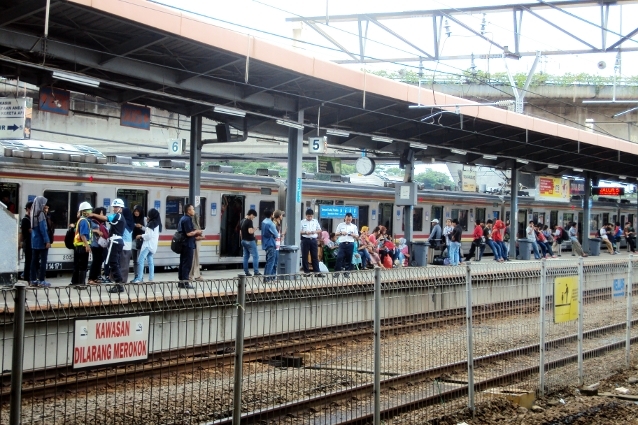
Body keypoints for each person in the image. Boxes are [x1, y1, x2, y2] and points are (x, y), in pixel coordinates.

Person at [90, 198, 126, 292]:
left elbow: (106, 218)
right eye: (114, 207)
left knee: (113, 262)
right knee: (115, 262)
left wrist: (93, 214)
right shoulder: (120, 216)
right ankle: (118, 283)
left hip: (115, 241)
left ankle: (119, 284)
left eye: (116, 207)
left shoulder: (118, 216)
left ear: (120, 208)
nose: (114, 208)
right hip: (116, 241)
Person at [131, 208, 162, 283]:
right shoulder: (157, 223)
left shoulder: (151, 224)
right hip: (153, 245)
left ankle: (139, 278)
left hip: (148, 245)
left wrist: (141, 236)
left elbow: (149, 235)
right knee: (150, 261)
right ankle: (151, 278)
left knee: (140, 260)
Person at [70, 201, 93, 289]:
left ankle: (75, 283)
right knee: (83, 266)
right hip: (82, 246)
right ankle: (81, 284)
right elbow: (83, 235)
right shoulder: (84, 221)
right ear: (84, 211)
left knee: (77, 265)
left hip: (78, 246)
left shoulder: (80, 220)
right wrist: (87, 245)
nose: (90, 212)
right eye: (89, 210)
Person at [177, 204, 201, 288]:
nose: (194, 211)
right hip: (188, 244)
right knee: (187, 264)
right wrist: (197, 231)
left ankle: (181, 282)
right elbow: (188, 233)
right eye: (192, 209)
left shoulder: (182, 218)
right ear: (188, 211)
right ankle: (185, 282)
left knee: (182, 263)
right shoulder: (187, 219)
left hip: (184, 244)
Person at [30, 196, 51, 287]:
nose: (45, 205)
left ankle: (33, 280)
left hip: (34, 241)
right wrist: (47, 241)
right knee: (43, 261)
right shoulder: (41, 214)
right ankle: (42, 280)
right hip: (42, 241)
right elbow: (43, 229)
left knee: (34, 261)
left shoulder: (32, 213)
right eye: (44, 203)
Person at [333, 212, 359, 277]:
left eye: (349, 220)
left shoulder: (354, 226)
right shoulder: (340, 225)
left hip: (350, 244)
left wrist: (353, 235)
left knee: (349, 259)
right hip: (342, 244)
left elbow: (357, 236)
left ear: (352, 219)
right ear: (345, 218)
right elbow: (336, 234)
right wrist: (341, 233)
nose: (348, 221)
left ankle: (347, 273)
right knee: (339, 257)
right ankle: (337, 272)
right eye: (347, 219)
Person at [88, 207, 108, 285]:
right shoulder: (92, 221)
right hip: (95, 244)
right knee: (96, 260)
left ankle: (97, 277)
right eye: (101, 213)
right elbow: (88, 229)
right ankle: (91, 278)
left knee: (100, 260)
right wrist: (96, 230)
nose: (102, 215)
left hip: (102, 244)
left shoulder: (102, 222)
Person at [300, 208, 322, 276]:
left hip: (313, 240)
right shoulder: (302, 222)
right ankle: (306, 272)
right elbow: (299, 231)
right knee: (305, 256)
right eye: (308, 216)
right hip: (305, 240)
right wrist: (305, 232)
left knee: (315, 256)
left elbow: (319, 230)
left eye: (311, 216)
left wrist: (313, 232)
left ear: (312, 216)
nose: (309, 217)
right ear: (306, 215)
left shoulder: (315, 221)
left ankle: (317, 272)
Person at [240, 209, 260, 276]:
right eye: (253, 216)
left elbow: (240, 232)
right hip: (250, 241)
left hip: (243, 240)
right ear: (251, 214)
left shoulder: (242, 221)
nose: (253, 218)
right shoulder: (249, 221)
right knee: (255, 256)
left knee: (246, 256)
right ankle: (256, 272)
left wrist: (243, 239)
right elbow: (250, 231)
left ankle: (246, 272)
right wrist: (255, 229)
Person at [261, 209, 279, 279]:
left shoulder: (263, 222)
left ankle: (265, 277)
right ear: (272, 214)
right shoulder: (271, 224)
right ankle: (267, 278)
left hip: (265, 243)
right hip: (271, 243)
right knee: (271, 262)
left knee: (268, 262)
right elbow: (276, 234)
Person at [120, 207, 135, 284]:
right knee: (126, 264)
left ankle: (121, 279)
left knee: (121, 263)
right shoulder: (131, 222)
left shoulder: (123, 222)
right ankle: (124, 279)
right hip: (129, 246)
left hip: (123, 244)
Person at [19, 201, 33, 283]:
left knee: (30, 261)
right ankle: (27, 278)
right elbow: (24, 232)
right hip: (27, 243)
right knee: (28, 261)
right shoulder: (25, 220)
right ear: (28, 209)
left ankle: (29, 277)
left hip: (30, 242)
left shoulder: (30, 219)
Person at [189, 211, 205, 281]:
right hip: (195, 243)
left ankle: (195, 275)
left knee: (195, 259)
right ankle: (192, 275)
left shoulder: (193, 224)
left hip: (195, 243)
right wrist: (201, 237)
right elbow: (195, 236)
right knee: (194, 259)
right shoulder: (194, 225)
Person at [131, 205, 145, 280]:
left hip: (141, 242)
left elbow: (147, 230)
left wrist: (141, 227)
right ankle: (136, 276)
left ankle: (140, 276)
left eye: (138, 211)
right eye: (135, 211)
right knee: (135, 261)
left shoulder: (144, 220)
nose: (136, 213)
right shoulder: (131, 219)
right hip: (133, 241)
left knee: (139, 260)